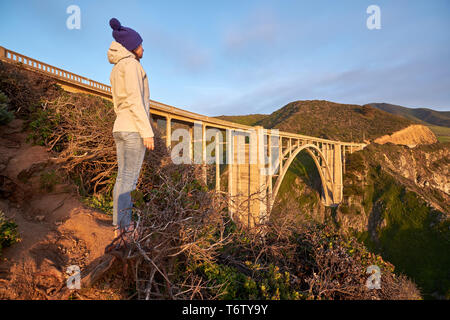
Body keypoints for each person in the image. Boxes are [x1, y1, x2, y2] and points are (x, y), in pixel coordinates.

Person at [107, 17, 154, 242]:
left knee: (121, 178)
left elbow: (119, 102)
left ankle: (119, 226)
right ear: (132, 46)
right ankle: (125, 230)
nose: (143, 48)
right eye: (140, 44)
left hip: (120, 127)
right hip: (134, 129)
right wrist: (147, 131)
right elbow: (137, 101)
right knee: (130, 180)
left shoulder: (117, 69)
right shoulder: (133, 65)